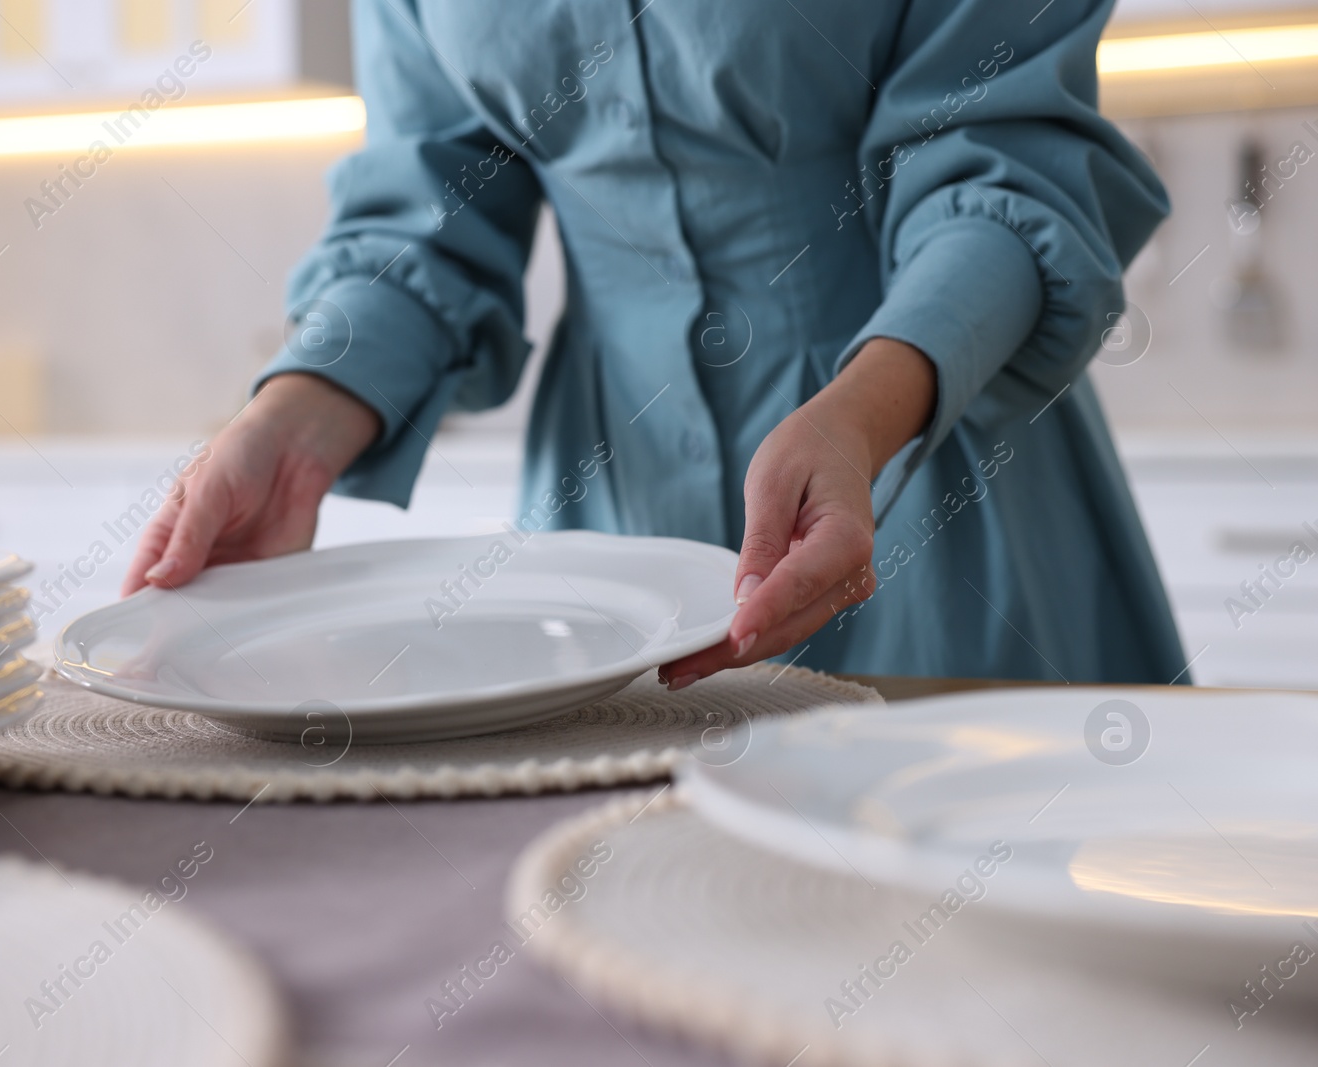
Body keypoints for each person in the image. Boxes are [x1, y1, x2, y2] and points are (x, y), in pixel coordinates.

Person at [122, 0, 1190, 687]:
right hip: (603, 521)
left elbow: (997, 163)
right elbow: (425, 222)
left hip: (925, 463)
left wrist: (862, 414)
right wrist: (291, 420)